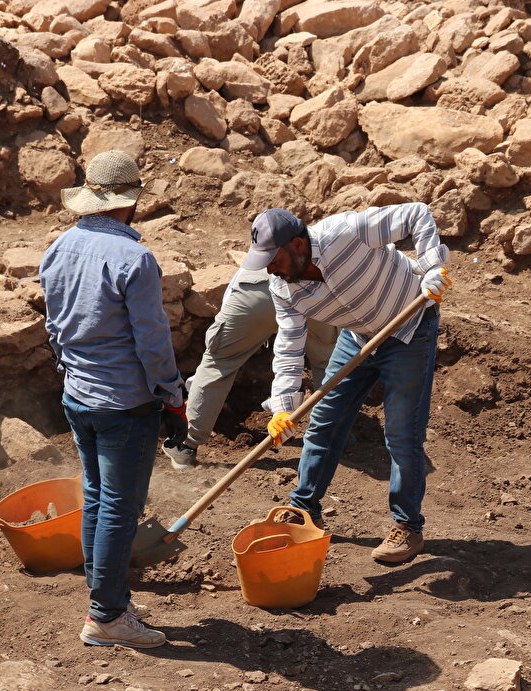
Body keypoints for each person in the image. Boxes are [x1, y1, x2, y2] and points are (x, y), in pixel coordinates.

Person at [239, 204, 453, 564]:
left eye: (272, 259)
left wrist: (432, 267)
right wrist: (282, 407)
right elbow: (290, 343)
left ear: (297, 245)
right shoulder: (282, 287)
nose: (270, 269)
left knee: (401, 432)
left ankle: (408, 527)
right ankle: (305, 509)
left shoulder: (346, 232)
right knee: (325, 422)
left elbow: (417, 214)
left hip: (409, 327)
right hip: (356, 339)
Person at [38, 150, 186, 649]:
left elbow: (54, 327)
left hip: (78, 396)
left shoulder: (59, 248)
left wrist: (71, 372)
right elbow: (151, 341)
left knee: (98, 499)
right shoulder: (136, 259)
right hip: (124, 404)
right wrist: (172, 396)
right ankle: (105, 616)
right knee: (120, 507)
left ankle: (109, 598)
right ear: (131, 201)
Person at [163, 268, 337, 470]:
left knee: (219, 361)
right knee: (327, 361)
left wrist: (194, 392)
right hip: (314, 290)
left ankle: (185, 446)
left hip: (258, 288)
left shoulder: (262, 251)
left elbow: (217, 359)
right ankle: (334, 435)